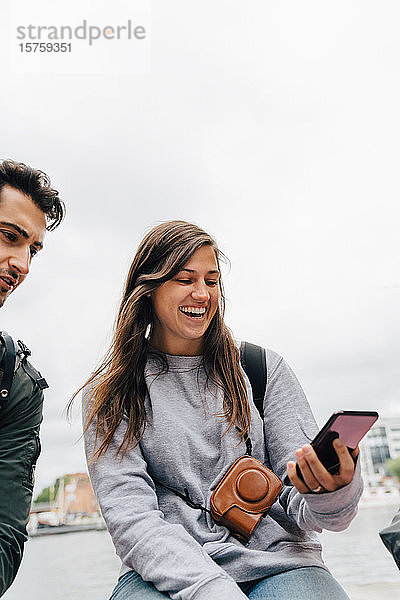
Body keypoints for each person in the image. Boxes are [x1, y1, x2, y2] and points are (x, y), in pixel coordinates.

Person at [81, 220, 362, 600]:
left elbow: (314, 512)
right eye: (185, 279)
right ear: (148, 289)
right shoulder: (111, 392)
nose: (202, 293)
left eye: (211, 281)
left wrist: (334, 492)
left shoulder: (261, 369)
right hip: (161, 572)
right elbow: (133, 521)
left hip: (282, 562)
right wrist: (211, 589)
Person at [0, 159, 64, 596]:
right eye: (9, 237)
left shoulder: (17, 384)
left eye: (33, 250)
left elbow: (6, 536)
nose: (21, 263)